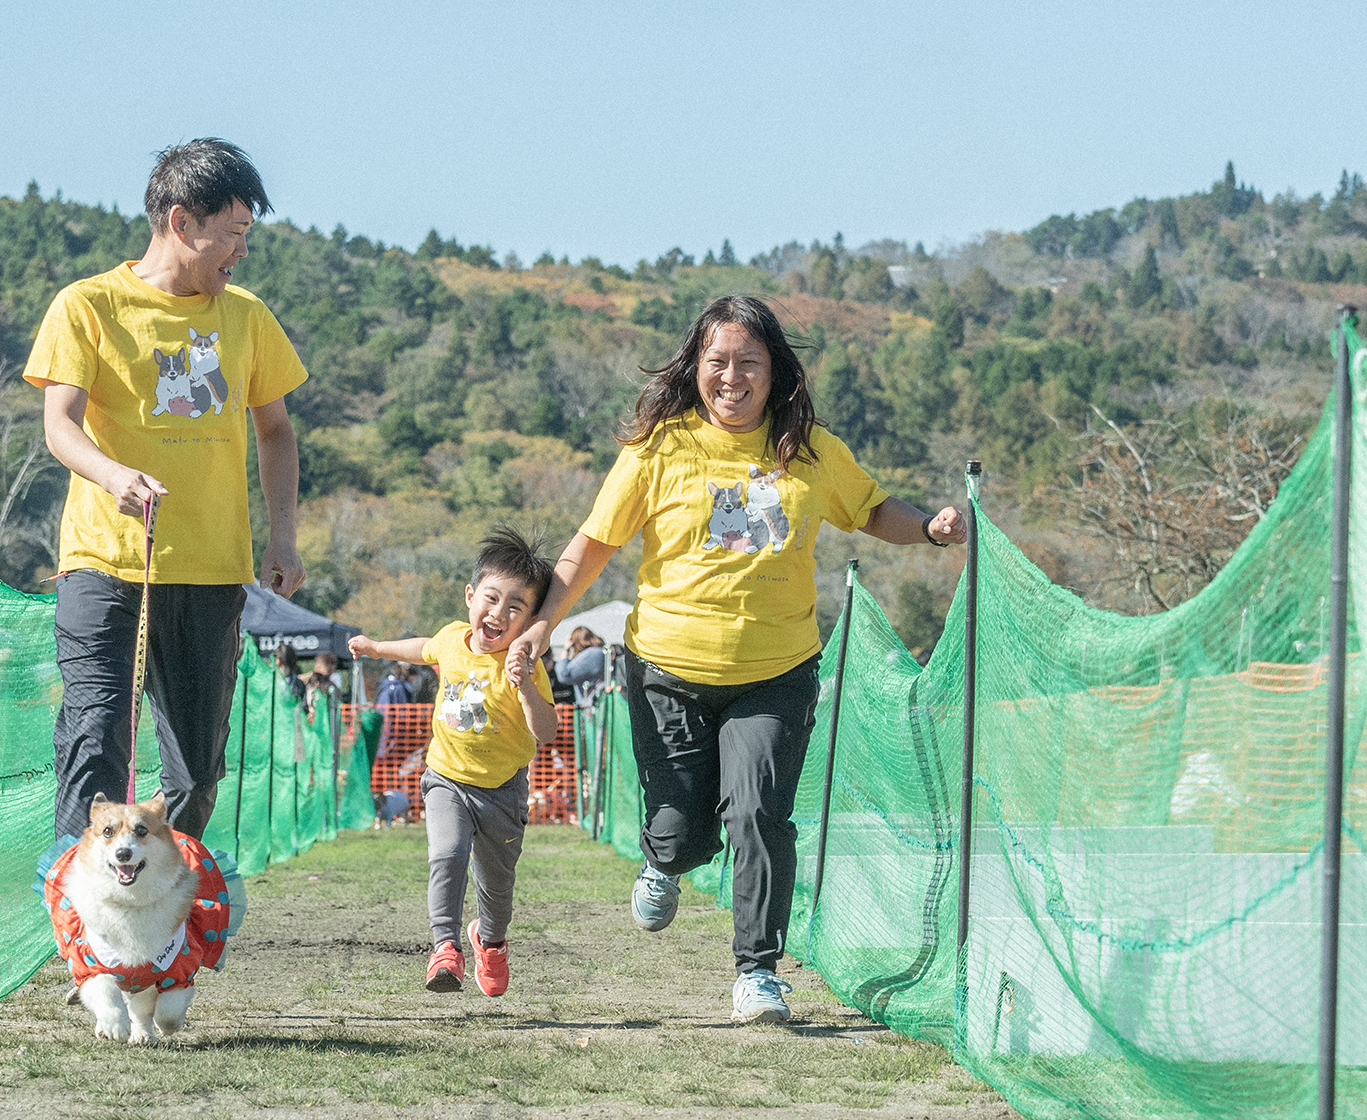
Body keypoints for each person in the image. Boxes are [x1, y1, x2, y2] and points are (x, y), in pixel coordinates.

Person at [508, 295, 965, 1025]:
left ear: (774, 371)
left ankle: (758, 973)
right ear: (695, 367)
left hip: (776, 673)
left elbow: (874, 510)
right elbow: (593, 543)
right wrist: (539, 626)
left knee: (759, 812)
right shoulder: (659, 449)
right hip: (667, 670)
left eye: (748, 362)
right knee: (683, 835)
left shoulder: (810, 450)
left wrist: (933, 530)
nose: (732, 377)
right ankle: (663, 860)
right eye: (717, 361)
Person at [25, 138, 308, 852]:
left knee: (196, 774)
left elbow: (275, 431)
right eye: (234, 234)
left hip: (210, 568)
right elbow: (59, 427)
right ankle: (82, 922)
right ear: (182, 223)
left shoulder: (246, 317)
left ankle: (159, 907)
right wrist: (114, 475)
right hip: (105, 562)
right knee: (96, 740)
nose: (242, 251)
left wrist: (282, 536)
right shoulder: (87, 305)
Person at [348, 528, 558, 997]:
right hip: (445, 778)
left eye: (515, 607)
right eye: (491, 598)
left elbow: (546, 732)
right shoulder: (450, 640)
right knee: (446, 853)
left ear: (530, 621)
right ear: (470, 596)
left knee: (497, 888)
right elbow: (420, 648)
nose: (498, 614)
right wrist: (378, 648)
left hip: (503, 788)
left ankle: (491, 940)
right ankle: (445, 947)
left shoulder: (525, 664)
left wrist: (524, 685)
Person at [554, 626, 606, 707]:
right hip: (600, 706)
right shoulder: (600, 651)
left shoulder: (591, 655)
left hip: (593, 709)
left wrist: (566, 650)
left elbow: (563, 675)